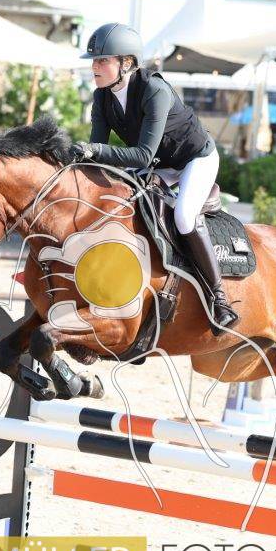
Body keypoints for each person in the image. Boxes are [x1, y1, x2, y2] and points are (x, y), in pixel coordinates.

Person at [68, 23, 237, 333]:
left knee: (184, 217)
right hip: (161, 163)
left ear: (126, 63)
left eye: (102, 60)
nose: (94, 67)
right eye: (94, 61)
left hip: (195, 159)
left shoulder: (154, 90)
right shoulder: (102, 97)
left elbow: (142, 155)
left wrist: (94, 151)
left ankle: (220, 299)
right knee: (121, 202)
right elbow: (97, 154)